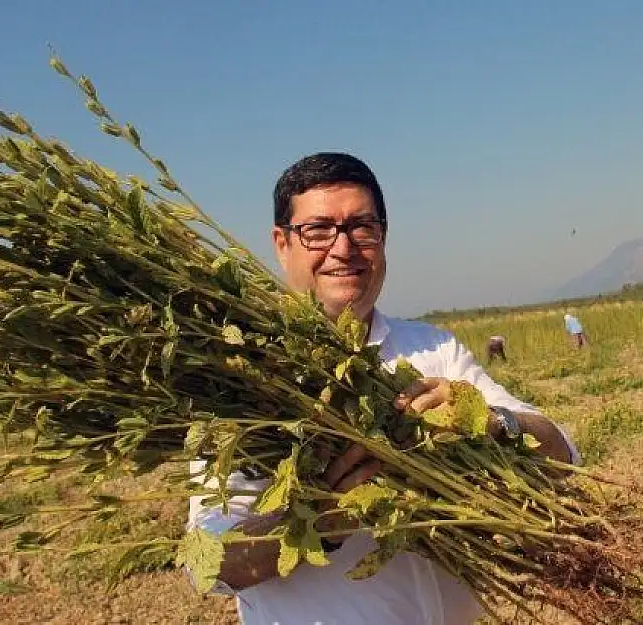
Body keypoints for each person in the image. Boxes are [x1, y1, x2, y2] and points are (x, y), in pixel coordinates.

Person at [185, 152, 581, 625]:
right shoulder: (242, 381)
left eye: (361, 227)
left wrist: (494, 422)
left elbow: (563, 454)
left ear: (383, 238)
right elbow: (208, 565)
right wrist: (313, 522)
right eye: (317, 230)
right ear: (282, 244)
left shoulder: (434, 349)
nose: (343, 247)